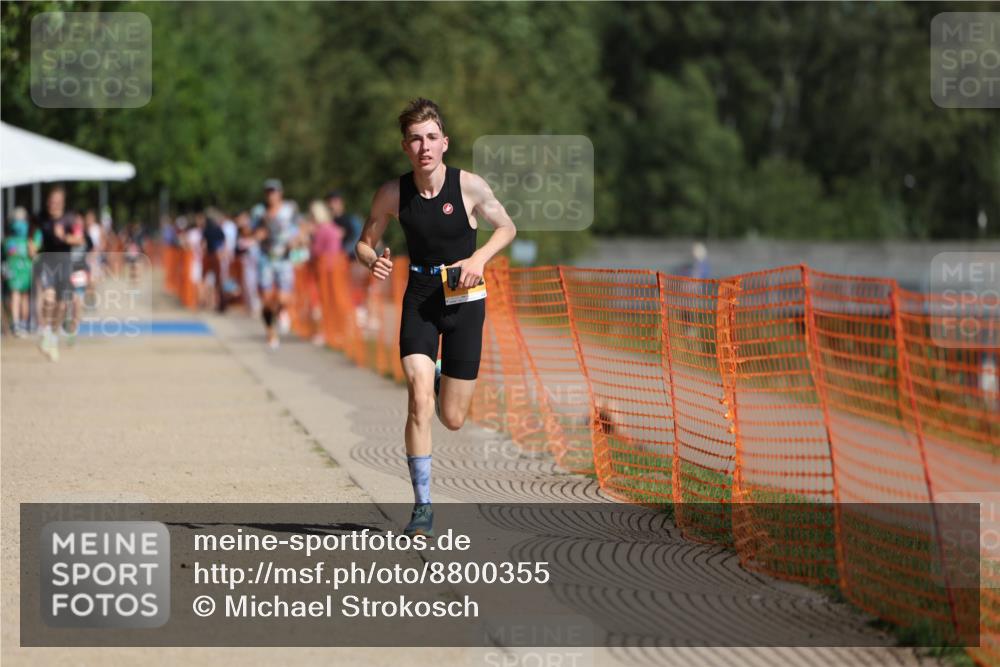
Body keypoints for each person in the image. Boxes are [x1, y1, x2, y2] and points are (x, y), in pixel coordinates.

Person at [355, 98, 516, 536]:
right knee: (418, 399)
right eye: (415, 139)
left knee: (453, 418)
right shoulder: (393, 193)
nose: (424, 147)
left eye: (431, 138)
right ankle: (423, 506)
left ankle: (444, 379)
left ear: (445, 142)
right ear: (405, 147)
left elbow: (507, 227)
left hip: (465, 299)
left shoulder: (470, 187)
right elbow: (365, 242)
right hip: (421, 298)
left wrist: (479, 258)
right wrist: (372, 260)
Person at [252, 179, 302, 349]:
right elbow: (252, 231)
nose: (270, 195)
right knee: (266, 299)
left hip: (284, 258)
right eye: (268, 192)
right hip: (266, 258)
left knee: (283, 298)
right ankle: (270, 332)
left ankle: (281, 312)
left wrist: (296, 240)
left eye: (273, 191)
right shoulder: (259, 212)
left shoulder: (290, 209)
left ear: (280, 193)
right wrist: (258, 234)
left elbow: (300, 228)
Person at [36, 186, 83, 361]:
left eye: (57, 202)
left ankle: (52, 337)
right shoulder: (41, 217)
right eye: (51, 201)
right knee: (49, 298)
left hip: (65, 265)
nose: (53, 205)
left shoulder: (70, 219)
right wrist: (32, 245)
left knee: (62, 306)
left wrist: (64, 237)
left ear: (62, 203)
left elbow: (79, 239)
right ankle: (45, 331)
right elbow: (33, 236)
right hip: (47, 263)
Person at [307, 199, 344, 345]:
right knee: (333, 300)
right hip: (336, 268)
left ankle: (322, 332)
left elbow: (316, 251)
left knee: (320, 302)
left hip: (323, 269)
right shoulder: (333, 228)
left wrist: (310, 240)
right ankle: (336, 331)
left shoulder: (321, 230)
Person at [3, 207, 42, 336]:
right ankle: (21, 324)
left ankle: (18, 324)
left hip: (17, 269)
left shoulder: (9, 239)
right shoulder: (28, 238)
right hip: (23, 268)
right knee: (22, 296)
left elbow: (8, 254)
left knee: (18, 295)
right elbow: (33, 254)